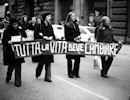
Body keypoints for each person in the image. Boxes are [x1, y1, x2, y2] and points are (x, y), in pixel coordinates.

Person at [2, 18, 27, 87]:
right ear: (11, 24)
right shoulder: (7, 31)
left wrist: (24, 38)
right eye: (14, 24)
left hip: (19, 50)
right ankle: (8, 77)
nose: (15, 25)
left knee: (18, 66)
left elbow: (25, 36)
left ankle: (18, 82)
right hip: (11, 52)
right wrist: (8, 42)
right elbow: (4, 40)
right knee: (11, 66)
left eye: (16, 24)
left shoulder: (20, 29)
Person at [34, 13, 55, 82]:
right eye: (49, 16)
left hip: (49, 47)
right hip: (42, 47)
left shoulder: (50, 26)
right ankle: (38, 72)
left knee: (48, 61)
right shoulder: (39, 26)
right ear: (45, 17)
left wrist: (52, 37)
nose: (50, 17)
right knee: (42, 61)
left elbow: (53, 34)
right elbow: (36, 35)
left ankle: (48, 77)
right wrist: (43, 37)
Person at [64, 12, 82, 78]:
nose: (74, 17)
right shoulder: (67, 25)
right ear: (70, 17)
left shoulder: (76, 24)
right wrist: (74, 39)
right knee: (69, 59)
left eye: (74, 16)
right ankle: (70, 73)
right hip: (70, 44)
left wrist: (79, 37)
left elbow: (79, 32)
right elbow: (67, 36)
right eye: (73, 16)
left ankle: (76, 72)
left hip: (77, 44)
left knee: (78, 58)